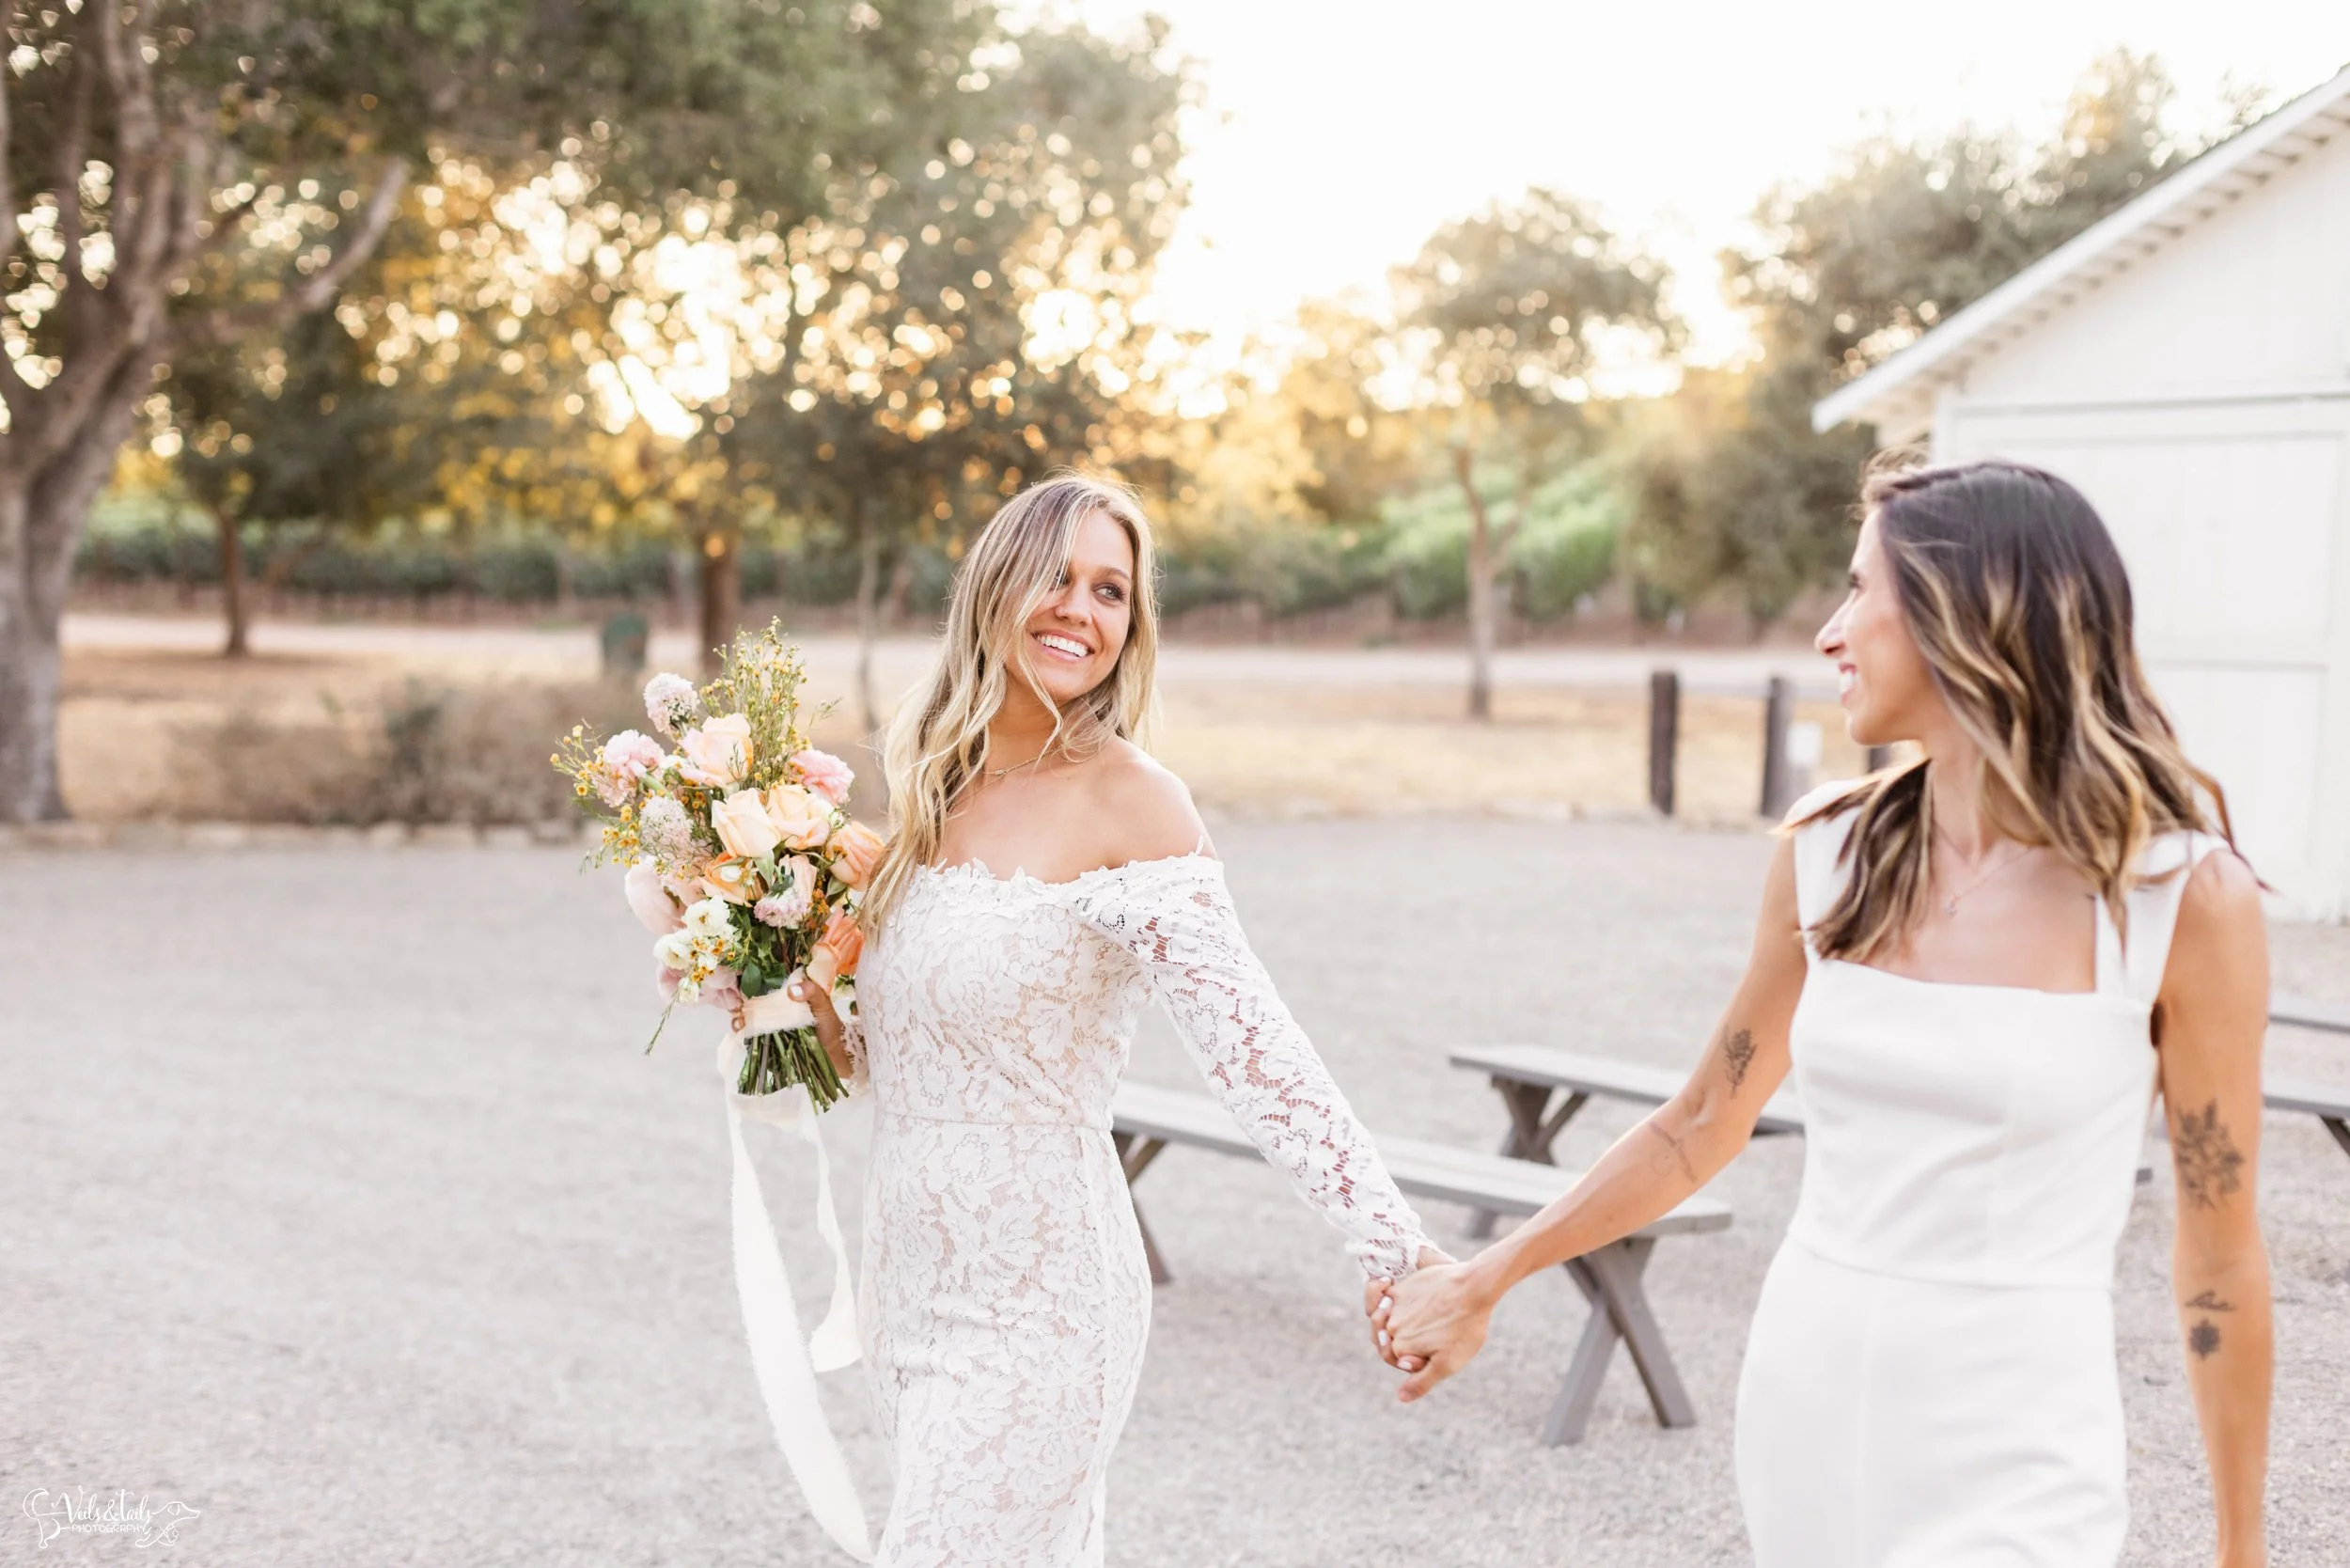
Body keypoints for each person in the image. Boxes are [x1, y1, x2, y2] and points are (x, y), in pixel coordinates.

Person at [1373, 459, 2272, 1567]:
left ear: (1966, 616)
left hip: (2020, 1436)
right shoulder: (1829, 852)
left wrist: (2242, 1551)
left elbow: (2219, 1256)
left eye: (1860, 593)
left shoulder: (2179, 898)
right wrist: (1485, 1278)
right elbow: (1703, 1119)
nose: (1829, 634)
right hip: (1810, 1400)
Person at [788, 473, 1443, 1568]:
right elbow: (873, 1063)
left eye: (1109, 592)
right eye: (1056, 576)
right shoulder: (930, 791)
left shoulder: (1135, 801)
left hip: (1044, 1305)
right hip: (907, 1284)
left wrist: (1395, 1248)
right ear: (993, 587)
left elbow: (1254, 1050)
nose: (1079, 611)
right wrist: (775, 979)